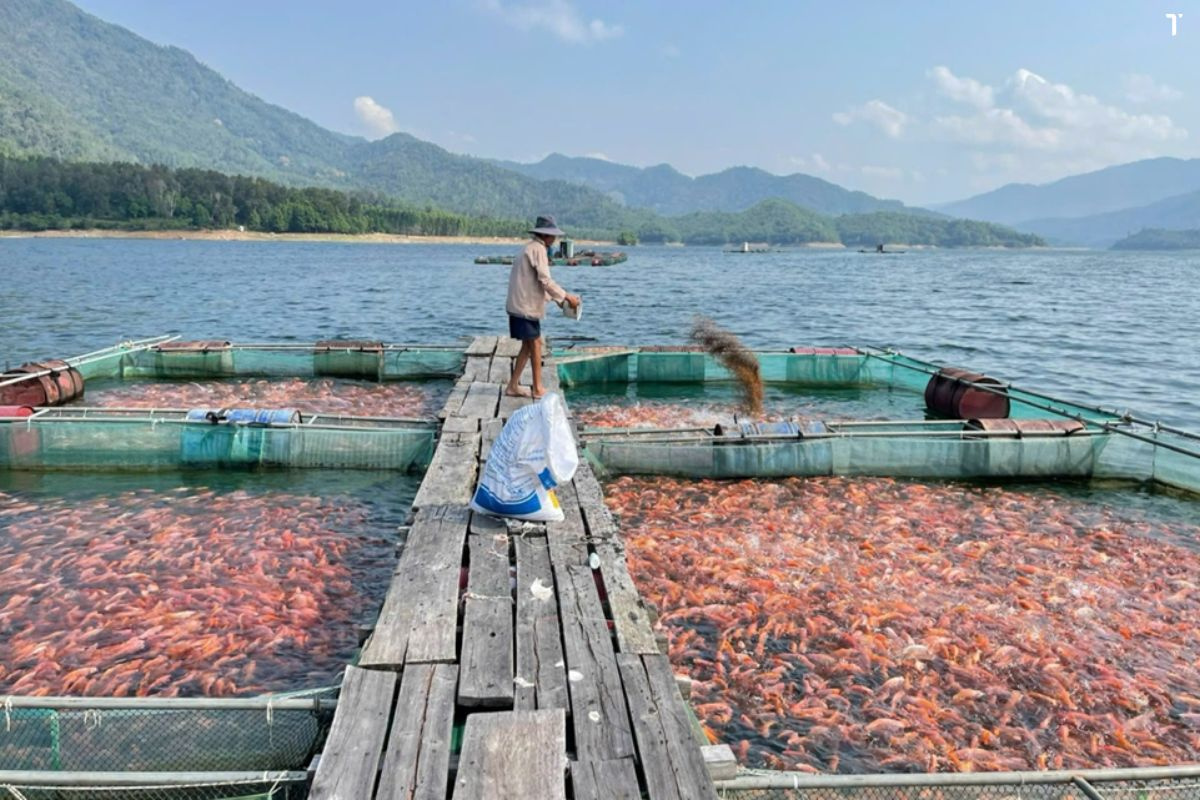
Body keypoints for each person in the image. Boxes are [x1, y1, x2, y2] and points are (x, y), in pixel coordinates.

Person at [505, 214, 581, 398]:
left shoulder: (529, 248)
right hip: (524, 307)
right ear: (546, 236)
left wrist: (558, 300)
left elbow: (536, 283)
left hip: (519, 305)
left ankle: (513, 386)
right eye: (553, 236)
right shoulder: (538, 249)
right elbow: (545, 280)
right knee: (536, 343)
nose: (554, 240)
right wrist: (566, 296)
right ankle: (538, 388)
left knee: (528, 345)